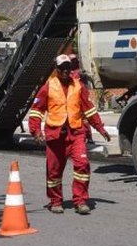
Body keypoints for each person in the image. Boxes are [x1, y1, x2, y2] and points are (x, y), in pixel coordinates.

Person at [28, 54, 111, 215]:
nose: (66, 71)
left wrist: (100, 128)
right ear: (56, 70)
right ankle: (55, 201)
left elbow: (89, 109)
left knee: (82, 164)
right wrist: (36, 131)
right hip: (55, 135)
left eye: (68, 68)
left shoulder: (78, 86)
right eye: (62, 68)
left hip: (76, 133)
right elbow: (37, 110)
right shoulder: (48, 87)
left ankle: (80, 201)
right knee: (54, 172)